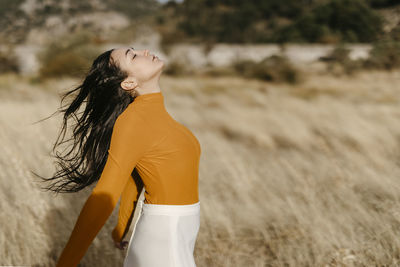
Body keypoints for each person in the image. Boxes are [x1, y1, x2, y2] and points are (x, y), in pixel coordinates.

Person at [36, 46, 201, 266]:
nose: (143, 50)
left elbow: (136, 179)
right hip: (165, 233)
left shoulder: (156, 115)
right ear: (129, 83)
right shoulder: (132, 121)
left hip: (182, 227)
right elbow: (103, 196)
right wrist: (66, 263)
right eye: (132, 56)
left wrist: (120, 229)